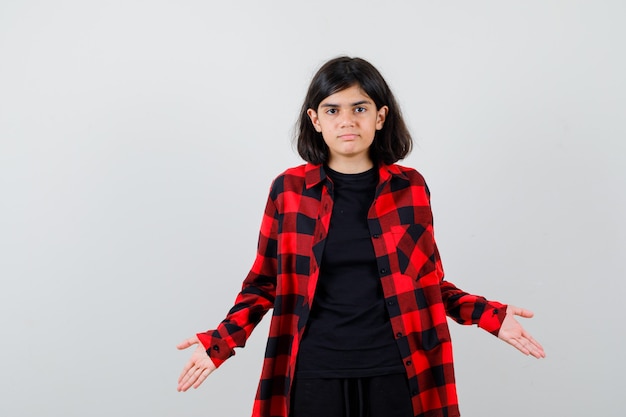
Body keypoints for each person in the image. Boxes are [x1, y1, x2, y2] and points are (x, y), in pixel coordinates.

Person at [177, 56, 545, 417]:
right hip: (314, 372)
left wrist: (488, 315)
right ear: (315, 120)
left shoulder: (411, 188)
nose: (347, 121)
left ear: (380, 116)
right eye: (332, 110)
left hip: (397, 372)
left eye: (360, 108)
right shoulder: (288, 191)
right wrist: (220, 343)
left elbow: (427, 283)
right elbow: (263, 285)